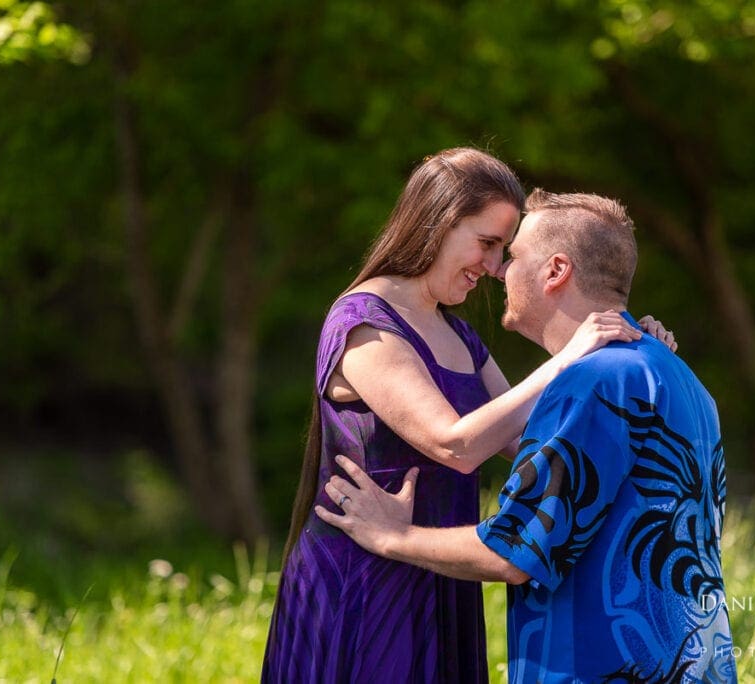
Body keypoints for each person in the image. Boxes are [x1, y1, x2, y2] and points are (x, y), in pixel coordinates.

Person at [262, 149, 676, 683]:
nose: (496, 267)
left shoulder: (460, 335)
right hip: (363, 577)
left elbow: (529, 440)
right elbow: (454, 445)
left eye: (503, 249)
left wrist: (622, 354)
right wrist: (573, 351)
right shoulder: (363, 322)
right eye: (487, 243)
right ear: (436, 223)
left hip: (440, 573)